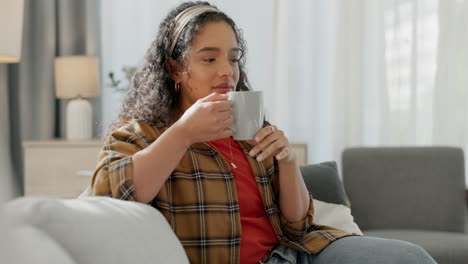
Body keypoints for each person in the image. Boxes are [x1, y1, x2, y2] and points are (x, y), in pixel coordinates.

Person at [91, 2, 437, 264]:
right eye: (209, 59)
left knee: (410, 258)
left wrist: (287, 163)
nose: (227, 71)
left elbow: (299, 226)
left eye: (233, 57)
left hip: (296, 253)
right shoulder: (144, 135)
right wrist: (182, 134)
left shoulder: (250, 129)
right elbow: (111, 196)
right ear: (176, 68)